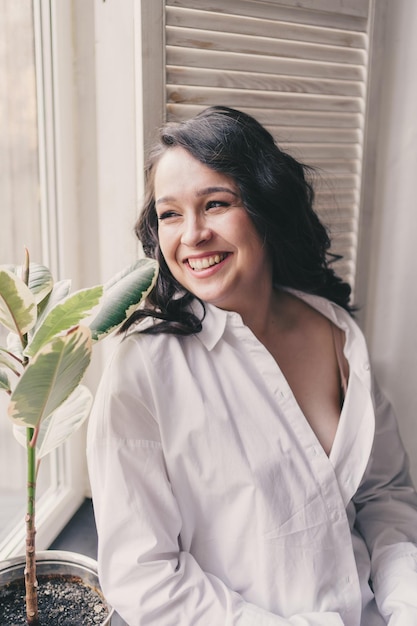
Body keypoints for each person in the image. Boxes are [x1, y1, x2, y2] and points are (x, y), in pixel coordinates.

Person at [87, 106, 417, 626]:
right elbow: (144, 576)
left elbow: (384, 496)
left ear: (266, 206)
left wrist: (406, 607)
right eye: (169, 214)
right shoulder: (143, 369)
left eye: (215, 204)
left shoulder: (335, 332)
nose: (191, 235)